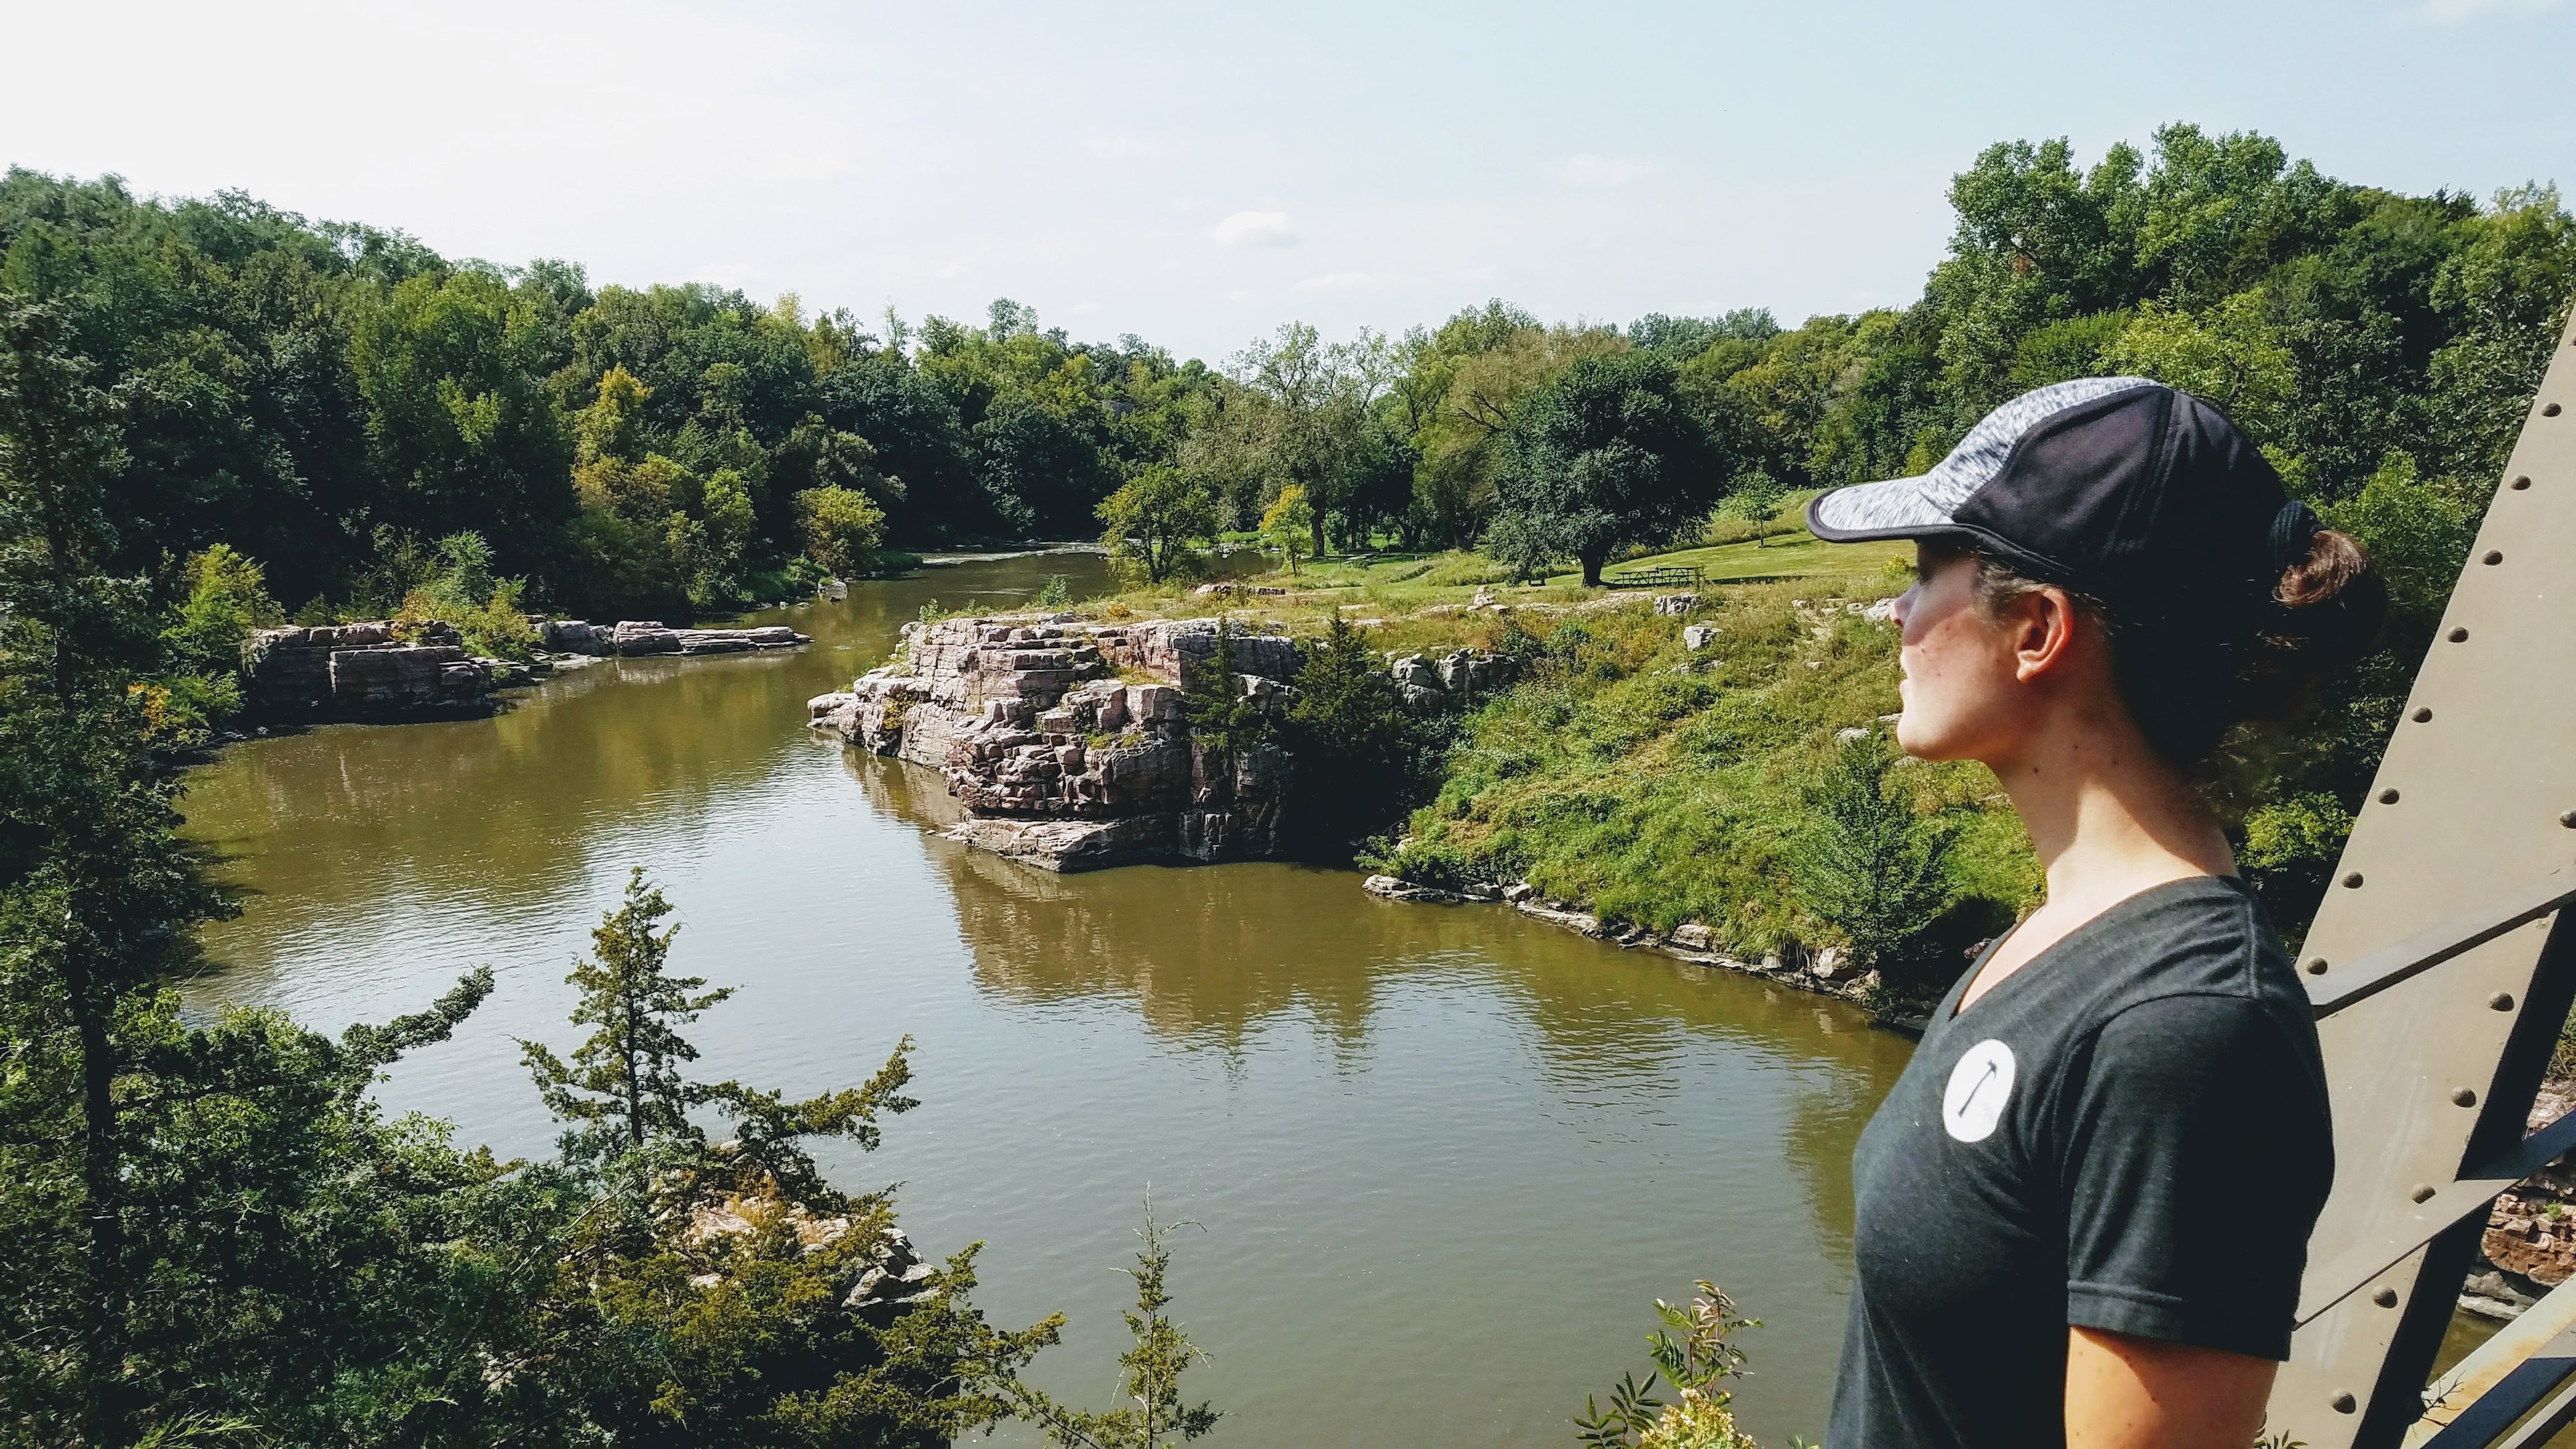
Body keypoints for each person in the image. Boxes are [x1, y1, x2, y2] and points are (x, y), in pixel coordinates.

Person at [1803, 377, 2387, 1448]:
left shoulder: (2183, 1031)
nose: (1898, 612)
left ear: (2035, 629)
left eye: (1927, 570)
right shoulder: (2046, 938)